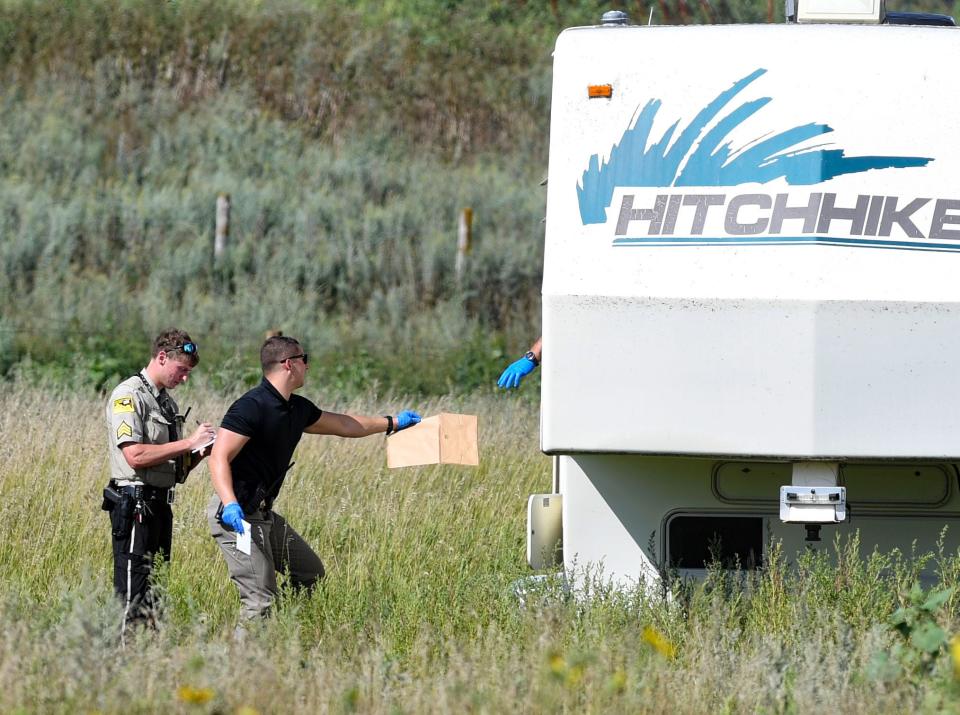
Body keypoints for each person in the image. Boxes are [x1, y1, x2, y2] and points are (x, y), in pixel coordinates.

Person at [206, 335, 422, 620]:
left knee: (310, 574)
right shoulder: (251, 407)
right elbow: (218, 457)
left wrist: (392, 422)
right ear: (288, 365)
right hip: (236, 516)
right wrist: (230, 503)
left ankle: (275, 630)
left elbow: (345, 423)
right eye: (303, 359)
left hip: (261, 513)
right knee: (259, 602)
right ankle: (244, 655)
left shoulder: (297, 409)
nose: (308, 366)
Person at [103, 328, 216, 631]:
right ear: (162, 357)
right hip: (134, 506)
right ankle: (121, 660)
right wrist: (189, 442)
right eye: (182, 369)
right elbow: (135, 456)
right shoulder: (128, 396)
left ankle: (150, 663)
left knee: (157, 592)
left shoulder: (167, 404)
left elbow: (176, 472)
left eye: (189, 372)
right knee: (132, 592)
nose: (184, 378)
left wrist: (200, 453)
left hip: (160, 507)